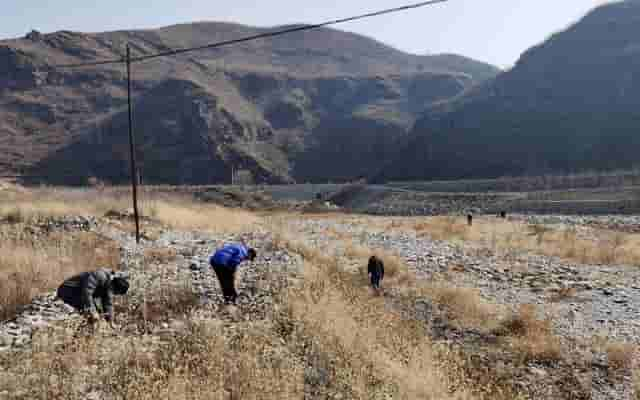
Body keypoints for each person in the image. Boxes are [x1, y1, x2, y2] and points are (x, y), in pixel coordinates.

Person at [56, 268, 129, 329]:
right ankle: (80, 336)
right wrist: (93, 312)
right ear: (114, 286)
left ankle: (84, 335)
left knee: (97, 314)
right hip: (68, 290)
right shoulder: (99, 275)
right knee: (91, 315)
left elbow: (108, 304)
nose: (113, 294)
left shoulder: (109, 285)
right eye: (115, 292)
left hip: (80, 294)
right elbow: (87, 293)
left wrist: (111, 321)